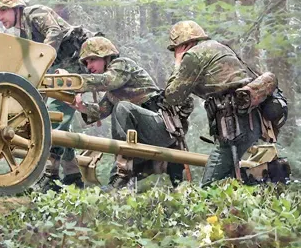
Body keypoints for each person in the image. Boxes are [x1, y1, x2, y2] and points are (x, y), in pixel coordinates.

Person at [0, 0, 93, 189]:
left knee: (55, 115)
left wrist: (41, 61)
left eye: (2, 11)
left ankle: (50, 174)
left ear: (15, 7)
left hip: (75, 65)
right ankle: (72, 174)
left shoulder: (35, 12)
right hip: (59, 71)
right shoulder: (23, 33)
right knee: (52, 116)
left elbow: (55, 32)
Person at [71, 36, 192, 189]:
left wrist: (76, 83)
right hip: (145, 135)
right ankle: (125, 180)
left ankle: (123, 174)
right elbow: (99, 112)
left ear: (106, 57)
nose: (89, 66)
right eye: (86, 63)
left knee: (122, 108)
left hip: (162, 126)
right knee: (114, 186)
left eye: (92, 59)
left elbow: (108, 81)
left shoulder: (122, 65)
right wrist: (80, 106)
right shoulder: (113, 93)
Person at [161, 20, 262, 186]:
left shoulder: (193, 56)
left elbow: (172, 97)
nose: (175, 53)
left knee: (210, 186)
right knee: (232, 180)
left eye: (175, 49)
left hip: (234, 126)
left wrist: (178, 64)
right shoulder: (219, 47)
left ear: (183, 45)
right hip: (251, 120)